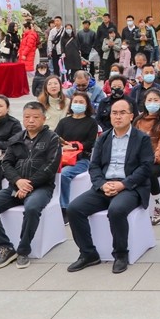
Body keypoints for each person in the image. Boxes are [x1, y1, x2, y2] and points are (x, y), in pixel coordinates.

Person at [66, 98, 153, 274]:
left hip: (130, 187)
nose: (118, 117)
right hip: (105, 185)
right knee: (74, 209)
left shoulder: (141, 138)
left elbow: (145, 167)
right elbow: (94, 166)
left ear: (131, 116)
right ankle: (88, 253)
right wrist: (102, 184)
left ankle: (120, 254)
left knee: (117, 210)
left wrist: (123, 184)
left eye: (122, 113)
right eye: (114, 113)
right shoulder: (103, 138)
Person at [0, 102, 62, 269]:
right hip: (16, 186)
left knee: (32, 208)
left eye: (35, 117)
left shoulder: (52, 138)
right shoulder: (16, 139)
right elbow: (6, 163)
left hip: (41, 187)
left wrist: (28, 185)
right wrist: (17, 182)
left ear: (44, 118)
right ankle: (6, 247)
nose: (30, 120)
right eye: (27, 117)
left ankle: (23, 250)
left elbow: (50, 166)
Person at [134, 88, 160, 225]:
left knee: (148, 172)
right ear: (144, 102)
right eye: (149, 100)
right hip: (141, 159)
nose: (152, 103)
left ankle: (158, 205)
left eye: (155, 100)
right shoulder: (138, 120)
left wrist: (153, 159)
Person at [55, 92, 99, 222]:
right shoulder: (64, 121)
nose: (78, 104)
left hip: (81, 159)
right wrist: (64, 147)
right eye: (75, 102)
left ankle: (64, 208)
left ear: (87, 105)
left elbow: (90, 143)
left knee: (64, 174)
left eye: (81, 102)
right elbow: (55, 138)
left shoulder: (91, 122)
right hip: (63, 157)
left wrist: (73, 146)